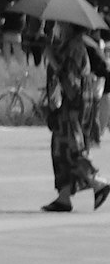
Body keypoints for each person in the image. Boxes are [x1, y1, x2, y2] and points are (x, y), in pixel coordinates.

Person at [43, 20, 103, 214]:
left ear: (70, 26)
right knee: (61, 149)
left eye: (61, 24)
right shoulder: (72, 45)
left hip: (74, 108)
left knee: (71, 148)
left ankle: (97, 182)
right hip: (77, 106)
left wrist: (54, 61)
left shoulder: (75, 48)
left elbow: (71, 85)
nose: (59, 27)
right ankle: (64, 197)